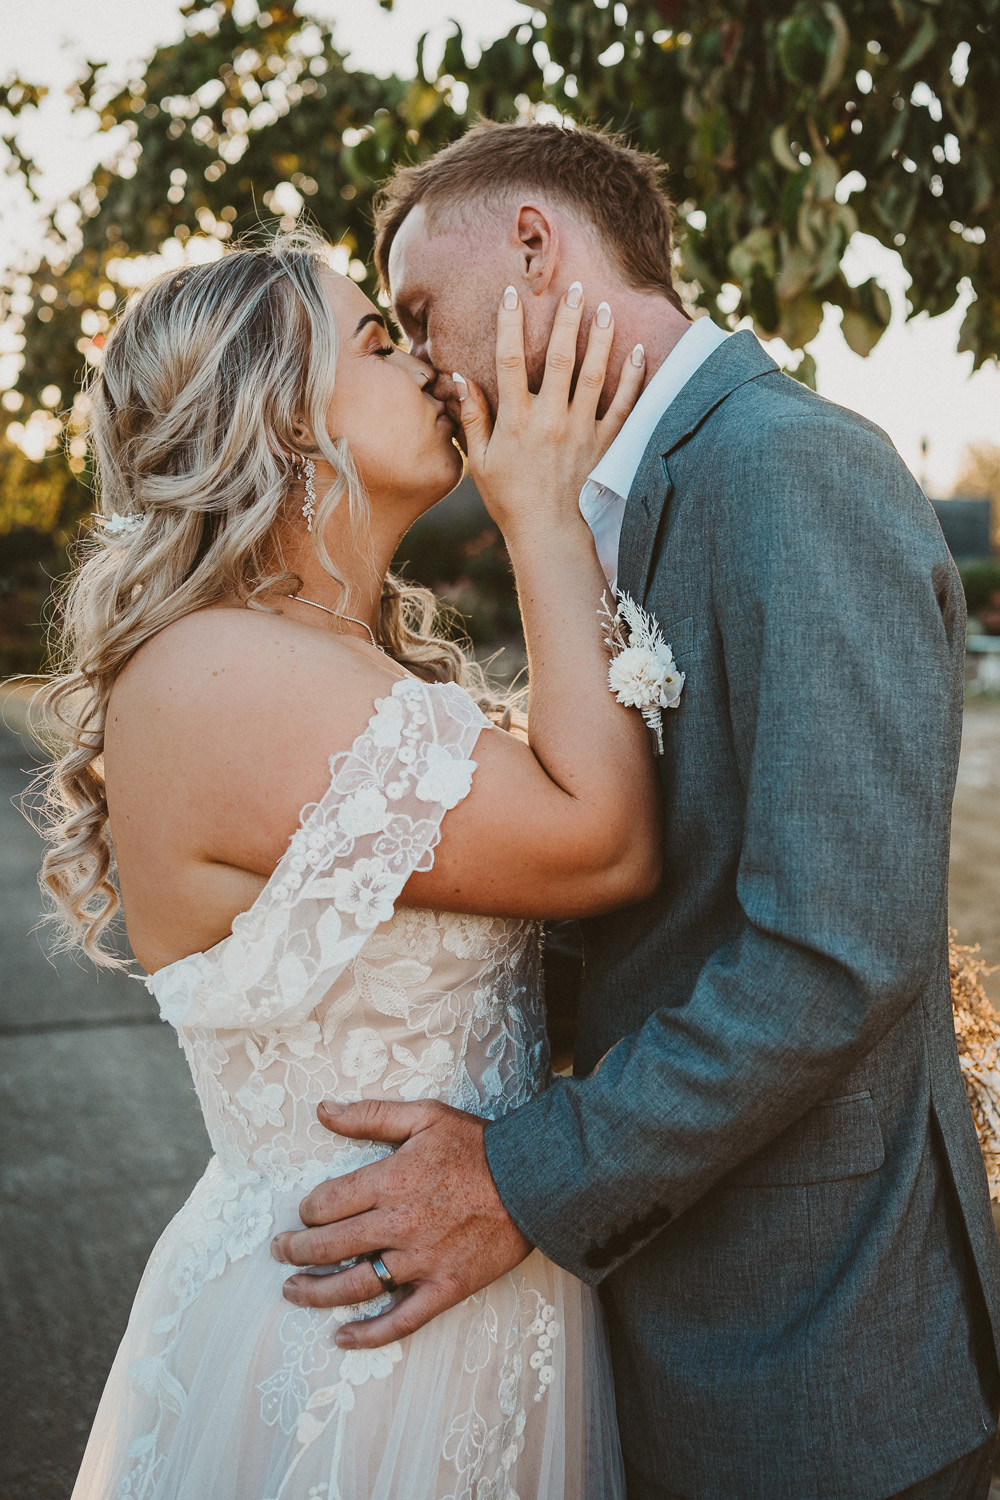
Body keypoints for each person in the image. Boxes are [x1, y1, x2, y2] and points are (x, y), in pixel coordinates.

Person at [270, 121, 1000, 1500]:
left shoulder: (789, 470)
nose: (423, 361)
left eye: (420, 311)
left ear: (536, 244)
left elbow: (834, 952)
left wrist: (519, 1179)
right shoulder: (598, 505)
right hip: (657, 1330)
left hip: (814, 1364)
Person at [38, 230, 657, 1498]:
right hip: (351, 1350)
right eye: (379, 339)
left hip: (452, 1290)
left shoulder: (334, 659)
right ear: (278, 414)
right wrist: (537, 501)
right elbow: (601, 840)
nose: (429, 360)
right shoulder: (223, 672)